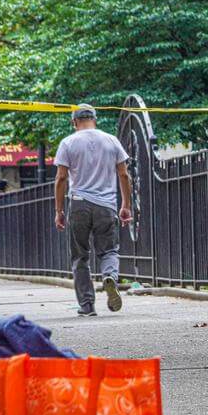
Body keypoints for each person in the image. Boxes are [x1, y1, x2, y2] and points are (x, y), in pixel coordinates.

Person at [52, 105, 132, 316]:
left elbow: (61, 178)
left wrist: (59, 210)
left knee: (80, 256)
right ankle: (110, 277)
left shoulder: (68, 142)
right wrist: (126, 205)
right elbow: (124, 175)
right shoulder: (111, 141)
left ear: (74, 122)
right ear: (95, 119)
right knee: (109, 250)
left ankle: (87, 306)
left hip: (78, 203)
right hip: (106, 205)